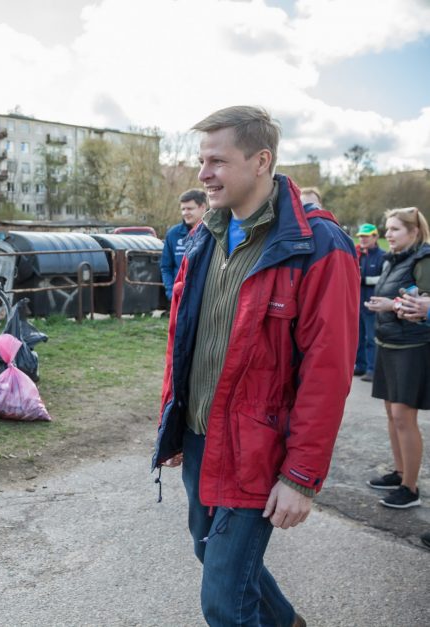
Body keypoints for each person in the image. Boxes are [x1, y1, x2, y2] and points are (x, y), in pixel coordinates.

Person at [153, 106, 359, 626]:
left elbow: (328, 373)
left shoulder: (318, 246)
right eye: (202, 160)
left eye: (217, 161)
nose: (203, 175)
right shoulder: (205, 236)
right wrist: (173, 424)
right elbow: (183, 338)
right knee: (211, 555)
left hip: (259, 448)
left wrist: (301, 476)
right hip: (202, 437)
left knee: (223, 602)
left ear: (262, 160)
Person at [362, 207, 430, 509]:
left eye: (395, 230)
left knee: (404, 417)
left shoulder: (423, 259)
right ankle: (400, 472)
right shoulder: (395, 257)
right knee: (392, 415)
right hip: (388, 343)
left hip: (411, 347)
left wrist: (392, 305)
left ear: (413, 232)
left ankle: (410, 487)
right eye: (387, 229)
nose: (388, 235)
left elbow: (422, 304)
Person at [160, 189, 208, 302]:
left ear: (203, 207)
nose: (185, 213)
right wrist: (171, 293)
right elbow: (166, 267)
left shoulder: (214, 233)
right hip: (180, 298)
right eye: (183, 209)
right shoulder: (173, 234)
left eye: (190, 208)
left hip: (206, 298)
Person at [355, 223, 385, 381]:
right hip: (358, 303)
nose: (362, 239)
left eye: (366, 236)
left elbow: (384, 278)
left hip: (373, 304)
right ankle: (360, 366)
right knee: (358, 337)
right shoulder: (359, 254)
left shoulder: (383, 256)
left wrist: (365, 280)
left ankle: (372, 370)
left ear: (375, 237)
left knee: (371, 338)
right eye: (361, 236)